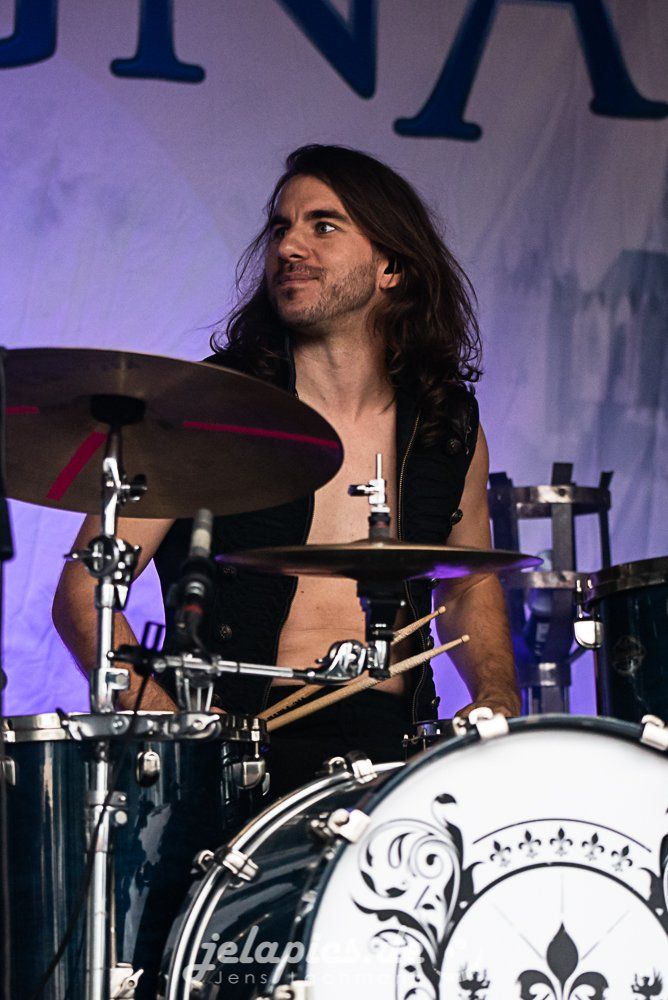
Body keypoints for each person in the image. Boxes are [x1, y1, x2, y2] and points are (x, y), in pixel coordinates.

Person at [53, 144, 520, 798]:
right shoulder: (205, 411)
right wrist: (169, 723)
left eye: (323, 226)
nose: (289, 247)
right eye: (280, 228)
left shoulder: (447, 424)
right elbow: (84, 592)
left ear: (390, 267)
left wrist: (497, 693)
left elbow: (468, 583)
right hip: (234, 750)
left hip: (395, 754)